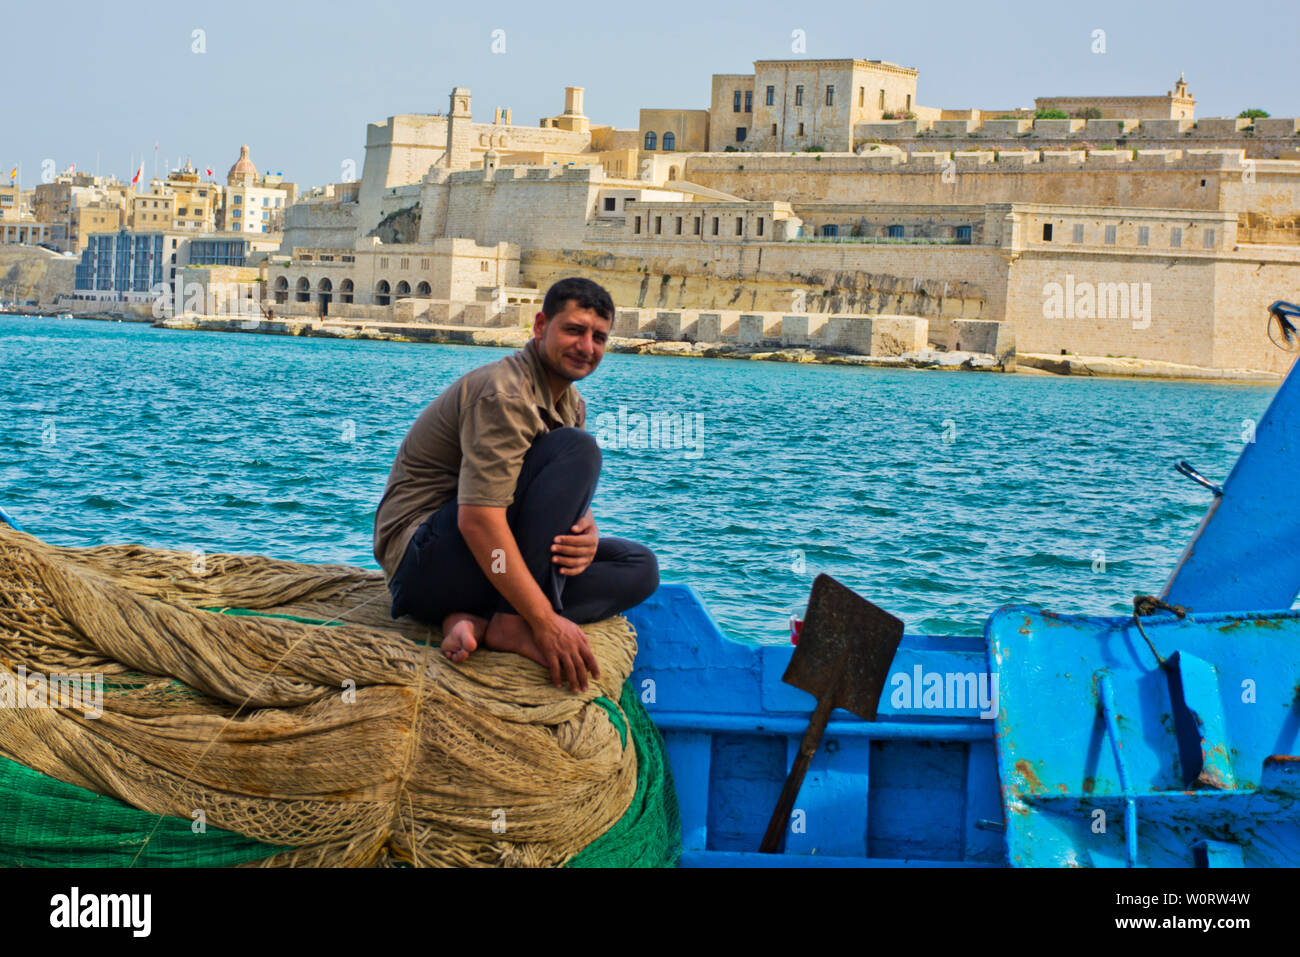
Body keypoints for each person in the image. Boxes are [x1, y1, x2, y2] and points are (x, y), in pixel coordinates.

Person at [373, 277, 658, 692]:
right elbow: (479, 521)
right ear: (540, 326)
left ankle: (477, 618)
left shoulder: (569, 403)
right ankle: (511, 622)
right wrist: (543, 622)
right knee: (578, 450)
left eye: (599, 337)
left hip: (478, 568)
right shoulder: (504, 394)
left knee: (639, 568)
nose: (587, 347)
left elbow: (541, 490)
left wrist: (586, 530)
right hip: (425, 558)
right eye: (574, 330)